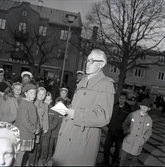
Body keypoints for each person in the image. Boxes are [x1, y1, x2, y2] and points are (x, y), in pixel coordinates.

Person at [53, 49, 115, 166]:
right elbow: (79, 105)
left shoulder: (106, 84)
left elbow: (104, 117)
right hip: (68, 131)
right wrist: (66, 109)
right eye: (87, 60)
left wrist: (75, 114)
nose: (87, 63)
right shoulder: (84, 80)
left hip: (82, 137)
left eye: (92, 61)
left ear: (101, 64)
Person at [101, 92, 132, 166]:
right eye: (120, 98)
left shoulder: (128, 110)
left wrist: (126, 130)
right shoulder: (114, 106)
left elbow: (129, 121)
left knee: (117, 150)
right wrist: (108, 125)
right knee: (106, 147)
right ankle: (106, 161)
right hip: (111, 131)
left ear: (126, 99)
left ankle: (114, 162)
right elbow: (109, 116)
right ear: (118, 98)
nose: (121, 100)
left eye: (123, 99)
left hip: (120, 133)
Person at [120, 98, 153, 166]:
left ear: (149, 109)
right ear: (140, 106)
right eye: (143, 106)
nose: (144, 108)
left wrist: (143, 139)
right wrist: (127, 132)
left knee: (134, 162)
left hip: (138, 144)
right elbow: (125, 124)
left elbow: (149, 131)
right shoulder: (132, 114)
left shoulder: (149, 120)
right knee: (123, 160)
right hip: (128, 141)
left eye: (146, 107)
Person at [14, 84, 40, 166]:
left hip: (29, 134)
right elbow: (24, 121)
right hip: (24, 134)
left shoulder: (33, 105)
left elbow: (36, 119)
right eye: (31, 93)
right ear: (25, 93)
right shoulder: (24, 105)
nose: (33, 95)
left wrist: (38, 127)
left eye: (35, 93)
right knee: (20, 154)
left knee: (23, 154)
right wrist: (34, 129)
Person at [28, 87, 49, 166]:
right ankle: (30, 162)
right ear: (36, 94)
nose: (41, 96)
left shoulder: (45, 105)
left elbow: (45, 116)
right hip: (32, 127)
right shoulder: (32, 103)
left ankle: (34, 161)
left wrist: (45, 127)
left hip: (39, 128)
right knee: (30, 146)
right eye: (39, 94)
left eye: (43, 94)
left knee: (36, 146)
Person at [40, 92, 59, 166]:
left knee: (45, 146)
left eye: (49, 100)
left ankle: (44, 159)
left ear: (51, 101)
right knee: (38, 147)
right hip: (40, 131)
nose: (47, 101)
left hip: (47, 132)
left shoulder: (53, 110)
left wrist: (50, 127)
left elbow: (56, 120)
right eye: (46, 99)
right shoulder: (40, 107)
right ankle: (37, 158)